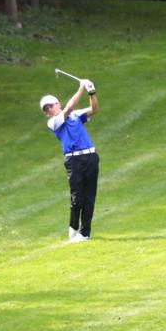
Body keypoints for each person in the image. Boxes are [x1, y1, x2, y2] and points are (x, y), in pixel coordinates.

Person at [40, 78, 100, 243]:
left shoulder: (75, 115)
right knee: (77, 197)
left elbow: (94, 108)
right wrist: (81, 87)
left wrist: (91, 91)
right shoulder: (53, 122)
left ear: (57, 104)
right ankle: (73, 230)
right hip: (73, 161)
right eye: (47, 109)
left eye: (51, 106)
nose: (50, 110)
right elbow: (69, 107)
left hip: (90, 157)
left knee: (89, 196)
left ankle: (85, 233)